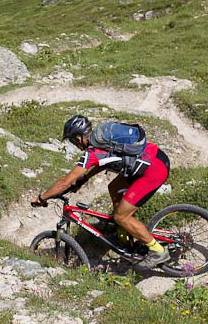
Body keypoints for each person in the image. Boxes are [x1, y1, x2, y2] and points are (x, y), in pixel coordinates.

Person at [30, 114, 171, 268]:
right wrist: (86, 177)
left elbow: (64, 183)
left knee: (120, 216)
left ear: (78, 138)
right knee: (114, 188)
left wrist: (42, 198)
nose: (74, 144)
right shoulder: (103, 141)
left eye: (72, 140)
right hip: (153, 159)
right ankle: (125, 235)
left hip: (153, 170)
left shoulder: (93, 152)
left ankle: (157, 251)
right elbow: (105, 161)